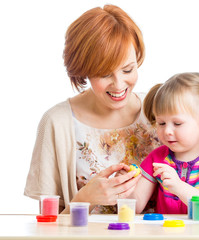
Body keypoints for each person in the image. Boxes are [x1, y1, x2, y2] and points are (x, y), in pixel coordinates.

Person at [24, 4, 160, 214]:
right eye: (105, 74)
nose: (119, 84)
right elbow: (47, 226)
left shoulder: (157, 110)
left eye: (128, 69)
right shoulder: (57, 123)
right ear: (83, 70)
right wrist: (85, 199)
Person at [131, 72, 199, 214]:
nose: (167, 131)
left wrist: (178, 186)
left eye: (177, 123)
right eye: (161, 123)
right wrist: (125, 190)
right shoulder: (157, 158)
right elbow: (135, 207)